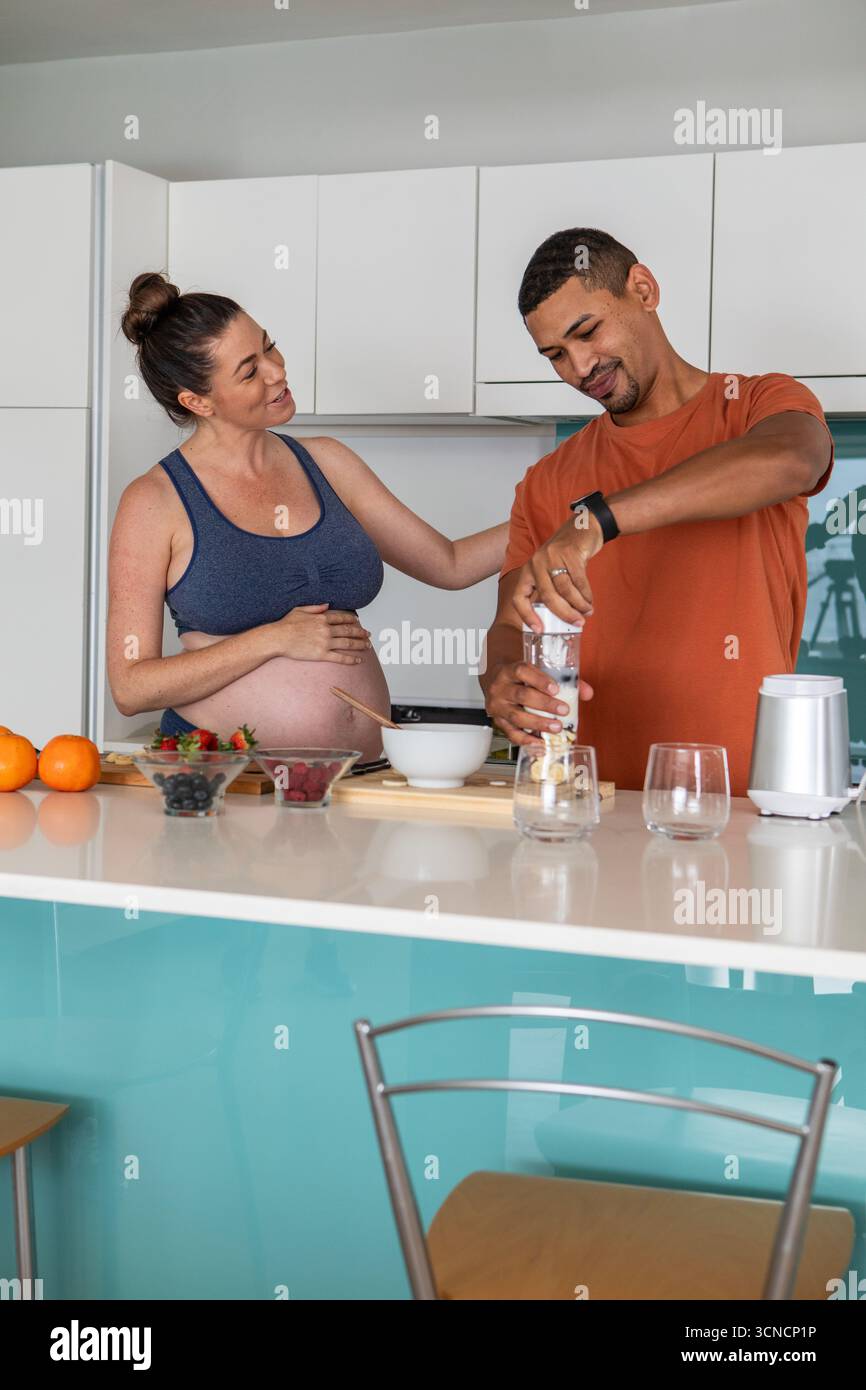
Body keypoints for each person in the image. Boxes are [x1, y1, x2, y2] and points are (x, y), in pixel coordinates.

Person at [481, 228, 834, 796]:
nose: (578, 367)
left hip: (748, 804)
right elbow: (507, 625)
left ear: (642, 289)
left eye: (587, 332)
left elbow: (794, 458)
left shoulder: (757, 406)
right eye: (555, 355)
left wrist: (595, 521)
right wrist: (501, 679)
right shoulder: (547, 480)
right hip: (593, 803)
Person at [107, 272, 506, 761]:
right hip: (234, 783)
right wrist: (274, 640)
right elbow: (130, 686)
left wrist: (574, 518)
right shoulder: (154, 501)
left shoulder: (328, 463)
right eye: (249, 371)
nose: (276, 371)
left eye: (269, 347)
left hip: (363, 776)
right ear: (197, 401)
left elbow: (450, 564)